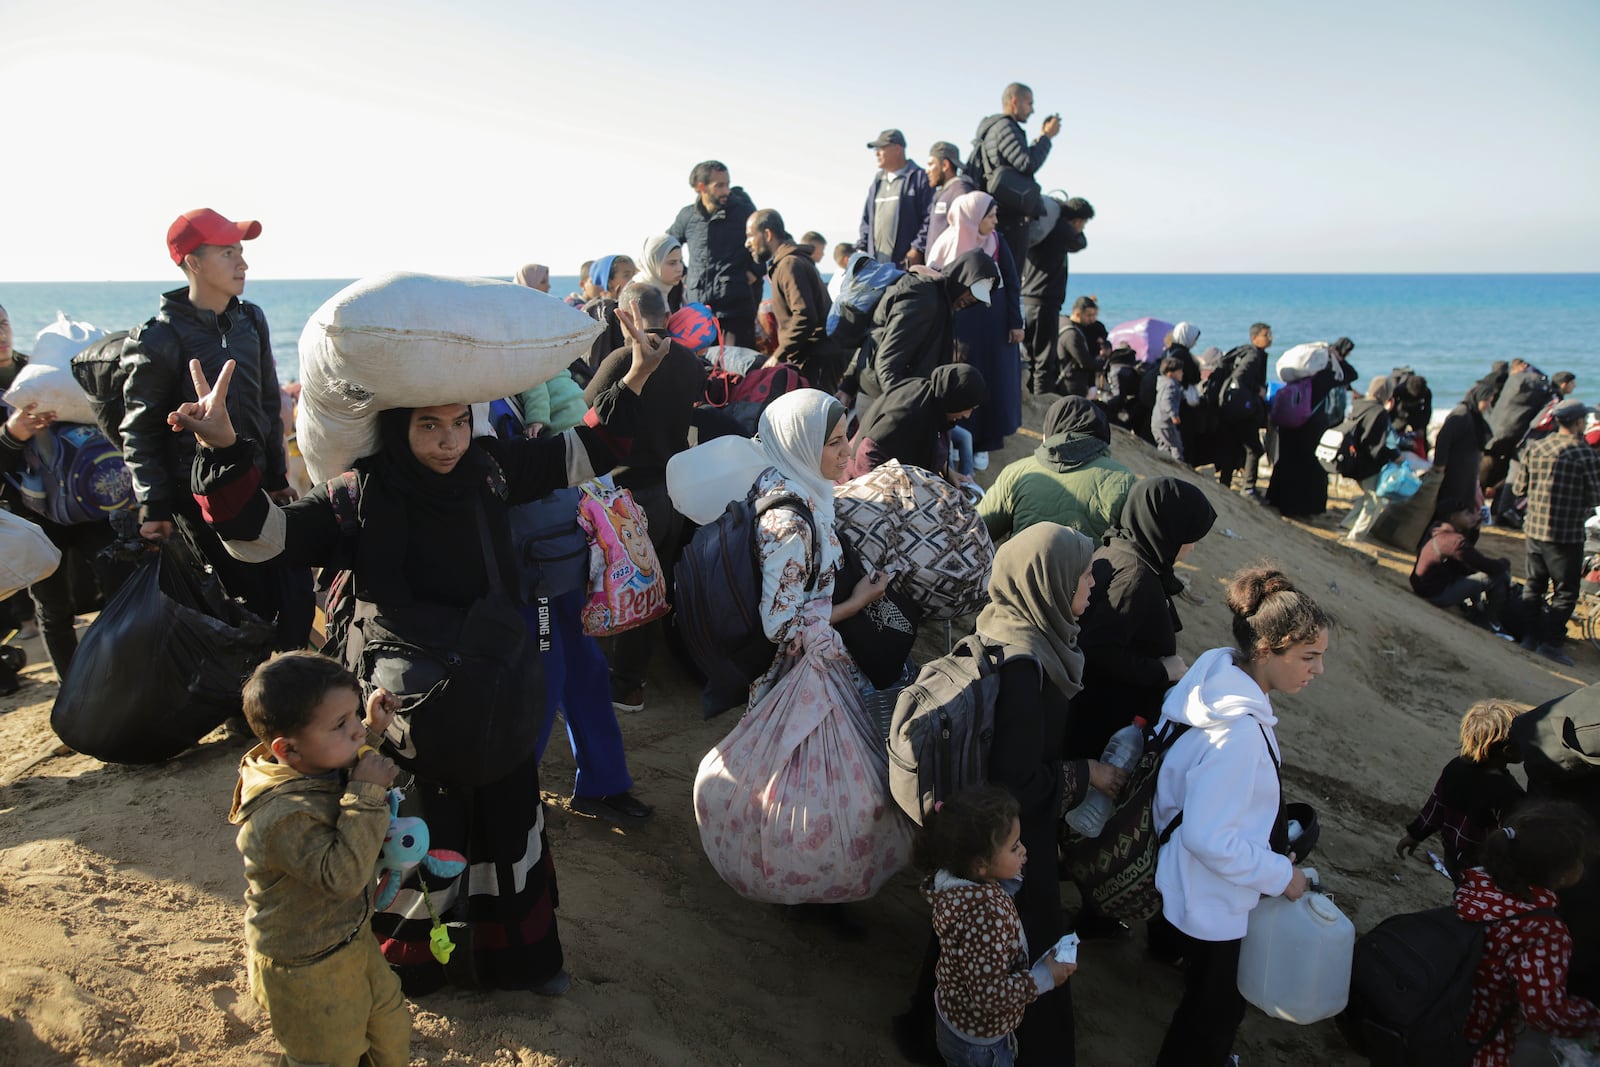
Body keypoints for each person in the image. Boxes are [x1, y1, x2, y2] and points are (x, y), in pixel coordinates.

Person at [177, 308, 667, 996]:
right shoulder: (359, 495)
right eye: (428, 425)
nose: (448, 441)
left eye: (459, 422)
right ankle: (418, 969)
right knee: (420, 839)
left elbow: (583, 451)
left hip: (496, 692)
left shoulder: (491, 470)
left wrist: (638, 371)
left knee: (506, 821)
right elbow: (262, 536)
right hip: (403, 711)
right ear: (398, 427)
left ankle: (521, 962)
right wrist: (225, 446)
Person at [1152, 566, 1330, 1066]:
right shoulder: (1238, 732)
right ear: (1267, 650)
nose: (1317, 671)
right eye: (1308, 657)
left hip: (1188, 875)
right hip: (1213, 893)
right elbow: (1210, 839)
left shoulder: (1216, 677)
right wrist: (1281, 875)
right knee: (1215, 1006)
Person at [119, 208, 311, 651]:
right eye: (228, 253)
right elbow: (141, 431)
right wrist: (154, 507)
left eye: (241, 252)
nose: (242, 263)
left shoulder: (251, 320)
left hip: (257, 488)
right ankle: (248, 714)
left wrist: (278, 477)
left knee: (291, 597)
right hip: (200, 501)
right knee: (235, 614)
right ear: (194, 262)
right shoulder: (158, 337)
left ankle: (285, 697)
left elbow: (266, 402)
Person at [976, 521, 1124, 1064]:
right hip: (1014, 841)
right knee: (1024, 946)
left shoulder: (1013, 622)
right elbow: (1017, 779)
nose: (1092, 587)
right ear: (1049, 580)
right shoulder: (1024, 663)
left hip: (995, 839)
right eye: (1084, 575)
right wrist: (1085, 773)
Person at [228, 651, 409, 1067]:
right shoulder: (280, 818)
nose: (355, 733)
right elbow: (343, 875)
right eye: (341, 724)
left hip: (352, 940)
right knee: (330, 1056)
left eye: (353, 717)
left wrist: (372, 729)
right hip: (305, 968)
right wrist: (366, 793)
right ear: (287, 749)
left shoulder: (315, 761)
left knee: (389, 1028)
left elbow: (338, 761)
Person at [585, 282, 707, 713]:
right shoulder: (689, 358)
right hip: (673, 488)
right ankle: (635, 679)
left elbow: (589, 410)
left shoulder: (623, 359)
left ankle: (622, 685)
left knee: (620, 589)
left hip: (627, 495)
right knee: (656, 587)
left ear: (629, 314)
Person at [918, 785, 1076, 1067]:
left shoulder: (956, 884)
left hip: (956, 1021)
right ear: (980, 865)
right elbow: (989, 994)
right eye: (1014, 847)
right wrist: (1044, 976)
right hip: (979, 1046)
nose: (1024, 849)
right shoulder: (986, 916)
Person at [1072, 477, 1218, 763]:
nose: (1191, 547)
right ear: (1168, 528)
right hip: (1097, 729)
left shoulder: (1118, 549)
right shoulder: (1135, 577)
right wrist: (1162, 671)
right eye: (1190, 536)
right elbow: (1096, 652)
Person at [1454, 801, 1600, 1066]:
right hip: (1480, 1039)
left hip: (1444, 1010)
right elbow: (1543, 1012)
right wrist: (1591, 1017)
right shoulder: (1545, 931)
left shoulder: (1477, 882)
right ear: (1565, 874)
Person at [0, 401, 119, 678]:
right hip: (35, 518)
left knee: (123, 591)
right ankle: (72, 690)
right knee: (54, 609)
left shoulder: (48, 367)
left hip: (95, 507)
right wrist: (10, 434)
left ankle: (128, 676)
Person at [927, 192, 1024, 463]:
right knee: (961, 377)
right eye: (989, 216)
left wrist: (1016, 322)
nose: (995, 222)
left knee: (992, 380)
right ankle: (957, 440)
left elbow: (1013, 282)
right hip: (961, 323)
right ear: (972, 217)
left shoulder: (996, 242)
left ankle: (984, 445)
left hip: (994, 324)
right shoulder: (946, 242)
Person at [1395, 699, 1526, 882]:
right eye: (1525, 739)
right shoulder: (1508, 793)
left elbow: (1436, 806)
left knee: (1464, 894)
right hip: (1485, 869)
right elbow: (1514, 838)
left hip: (1453, 859)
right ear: (1508, 751)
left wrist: (1415, 834)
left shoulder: (1455, 768)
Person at [978, 396, 1136, 545]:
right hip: (1092, 573)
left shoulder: (1016, 472)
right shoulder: (1124, 479)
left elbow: (979, 530)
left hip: (1021, 572)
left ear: (1047, 432)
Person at [1513, 397, 1600, 666]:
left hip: (1535, 530)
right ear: (1576, 423)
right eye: (1583, 420)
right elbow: (1595, 495)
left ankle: (1529, 636)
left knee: (1534, 585)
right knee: (1565, 591)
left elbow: (1519, 490)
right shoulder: (1583, 453)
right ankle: (1551, 643)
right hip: (1566, 534)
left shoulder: (1535, 448)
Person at [859, 249, 999, 399]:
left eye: (979, 298)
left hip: (886, 393)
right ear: (963, 278)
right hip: (882, 398)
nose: (973, 300)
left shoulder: (940, 299)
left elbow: (876, 336)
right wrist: (905, 408)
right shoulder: (925, 298)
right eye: (972, 292)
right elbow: (887, 363)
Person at [747, 208, 844, 393]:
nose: (747, 243)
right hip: (813, 355)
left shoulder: (789, 264)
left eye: (750, 236)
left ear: (767, 234)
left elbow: (805, 316)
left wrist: (779, 354)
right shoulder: (789, 262)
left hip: (817, 356)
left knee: (818, 419)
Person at [668, 160, 762, 346]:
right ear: (700, 187)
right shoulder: (687, 216)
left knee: (739, 370)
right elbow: (667, 245)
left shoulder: (744, 212)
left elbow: (764, 241)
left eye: (727, 184)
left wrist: (755, 270)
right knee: (701, 370)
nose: (726, 191)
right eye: (719, 186)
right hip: (699, 311)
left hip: (737, 310)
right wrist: (684, 273)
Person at [969, 83, 1060, 272]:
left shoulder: (993, 128)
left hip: (996, 213)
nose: (1032, 110)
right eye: (1029, 103)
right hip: (1009, 217)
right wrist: (1047, 137)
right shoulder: (1006, 127)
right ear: (1015, 101)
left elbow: (1018, 159)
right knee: (1009, 278)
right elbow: (1026, 163)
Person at [1265, 337, 1359, 518]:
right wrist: (1337, 358)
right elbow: (1352, 374)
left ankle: (1276, 499)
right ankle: (1302, 508)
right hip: (1311, 427)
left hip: (1290, 424)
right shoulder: (1327, 375)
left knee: (1285, 461)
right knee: (1308, 467)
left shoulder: (1301, 377)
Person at [845, 364, 987, 482]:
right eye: (968, 408)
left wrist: (948, 473)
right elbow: (868, 452)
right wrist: (879, 497)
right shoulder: (907, 413)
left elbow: (935, 444)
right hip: (859, 482)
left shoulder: (939, 403)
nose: (967, 415)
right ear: (957, 400)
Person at [1020, 197, 1093, 397]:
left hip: (1027, 297)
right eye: (1083, 222)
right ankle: (1041, 403)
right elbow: (1080, 242)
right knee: (1045, 358)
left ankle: (1026, 396)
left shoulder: (1040, 226)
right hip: (1046, 300)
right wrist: (1065, 219)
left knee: (1028, 355)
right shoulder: (1060, 230)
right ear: (1077, 219)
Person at [1410, 499, 1512, 628]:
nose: (1472, 517)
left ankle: (1478, 610)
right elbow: (1484, 564)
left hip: (1424, 587)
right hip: (1437, 595)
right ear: (1454, 517)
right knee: (1499, 575)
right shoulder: (1454, 542)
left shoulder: (1439, 530)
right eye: (1467, 514)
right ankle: (1489, 620)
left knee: (1475, 572)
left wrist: (1474, 529)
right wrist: (1505, 562)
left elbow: (1467, 555)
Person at [1211, 323, 1273, 500]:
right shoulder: (1253, 355)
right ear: (1254, 338)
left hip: (1231, 406)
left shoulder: (1245, 351)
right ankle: (1248, 488)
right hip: (1243, 409)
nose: (1270, 338)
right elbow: (1240, 376)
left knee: (1232, 445)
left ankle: (1225, 484)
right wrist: (1257, 390)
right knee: (1254, 448)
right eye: (1266, 335)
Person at [856, 129, 933, 268]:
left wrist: (917, 248)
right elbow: (866, 220)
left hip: (905, 267)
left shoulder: (920, 178)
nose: (877, 153)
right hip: (876, 267)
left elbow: (930, 217)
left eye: (881, 148)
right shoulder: (877, 181)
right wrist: (862, 248)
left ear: (897, 149)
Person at [1339, 376, 1401, 544]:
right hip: (1368, 464)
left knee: (1367, 496)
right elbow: (1379, 442)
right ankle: (1355, 537)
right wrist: (1394, 458)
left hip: (1353, 461)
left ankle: (1347, 525)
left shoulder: (1359, 405)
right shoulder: (1379, 412)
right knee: (1375, 501)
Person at [1432, 378, 1498, 521]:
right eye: (1487, 400)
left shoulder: (1473, 415)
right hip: (1455, 473)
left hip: (1466, 474)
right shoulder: (1462, 415)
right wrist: (1440, 465)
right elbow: (1443, 439)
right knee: (1452, 509)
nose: (1488, 405)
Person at [581, 255, 638, 374]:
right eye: (627, 275)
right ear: (609, 281)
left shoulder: (629, 306)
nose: (634, 279)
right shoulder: (603, 309)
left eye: (634, 274)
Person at [922, 141, 976, 255]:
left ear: (945, 165)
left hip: (949, 270)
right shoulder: (943, 192)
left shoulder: (960, 191)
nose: (927, 170)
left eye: (931, 164)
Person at [1055, 296, 1101, 398]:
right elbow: (1084, 361)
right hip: (1070, 387)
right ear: (1077, 314)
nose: (1092, 319)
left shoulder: (1061, 322)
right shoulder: (1072, 333)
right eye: (1089, 315)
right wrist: (1100, 363)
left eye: (1094, 315)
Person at [633, 234, 686, 312]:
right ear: (653, 263)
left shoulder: (675, 289)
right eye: (672, 263)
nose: (680, 269)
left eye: (680, 261)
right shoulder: (637, 294)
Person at [1151, 355, 1186, 461]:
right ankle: (1179, 467)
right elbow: (1167, 401)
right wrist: (1173, 415)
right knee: (1176, 446)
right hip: (1165, 422)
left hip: (1157, 421)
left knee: (1164, 446)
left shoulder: (1163, 383)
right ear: (1171, 373)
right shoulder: (1170, 385)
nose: (1182, 374)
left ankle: (1162, 466)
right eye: (1180, 371)